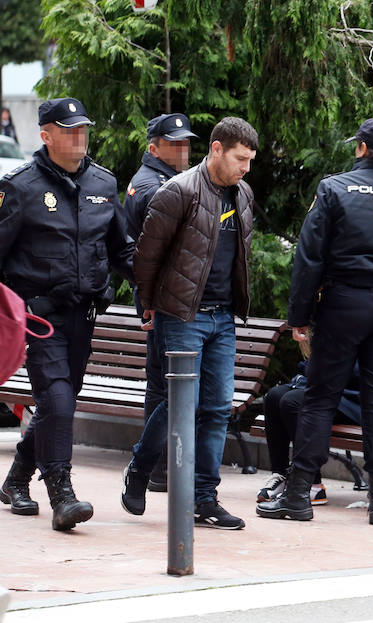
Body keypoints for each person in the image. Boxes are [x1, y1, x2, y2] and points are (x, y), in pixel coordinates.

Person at [257, 118, 373, 525]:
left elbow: (309, 259)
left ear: (360, 148)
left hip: (343, 305)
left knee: (321, 397)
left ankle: (300, 494)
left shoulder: (334, 189)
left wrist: (298, 317)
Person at [0, 97, 133, 531]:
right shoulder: (19, 186)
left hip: (84, 315)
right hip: (40, 318)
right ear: (46, 135)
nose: (79, 136)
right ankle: (62, 493)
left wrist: (156, 283)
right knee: (56, 398)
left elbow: (121, 249)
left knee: (60, 402)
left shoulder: (103, 182)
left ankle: (17, 479)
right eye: (69, 129)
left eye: (83, 129)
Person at [120, 116, 257, 530]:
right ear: (216, 149)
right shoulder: (178, 191)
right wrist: (147, 304)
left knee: (216, 409)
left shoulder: (243, 193)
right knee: (183, 402)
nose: (245, 168)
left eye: (250, 160)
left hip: (222, 317)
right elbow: (146, 255)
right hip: (181, 313)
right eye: (240, 159)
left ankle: (203, 498)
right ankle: (141, 468)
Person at [124, 113, 198, 493]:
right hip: (166, 301)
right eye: (174, 143)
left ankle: (157, 468)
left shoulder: (164, 181)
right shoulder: (156, 187)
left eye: (185, 142)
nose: (182, 149)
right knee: (167, 386)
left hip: (163, 298)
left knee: (161, 384)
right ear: (153, 147)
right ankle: (157, 466)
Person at [257, 360, 363, 505]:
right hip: (322, 387)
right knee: (274, 397)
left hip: (350, 398)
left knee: (292, 402)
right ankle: (281, 475)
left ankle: (311, 483)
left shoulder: (369, 339)